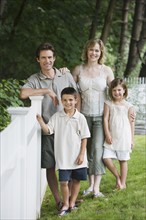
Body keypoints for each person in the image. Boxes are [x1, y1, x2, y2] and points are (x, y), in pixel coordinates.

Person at [20, 43, 78, 210]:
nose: (47, 61)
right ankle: (59, 201)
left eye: (50, 57)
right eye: (43, 58)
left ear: (54, 58)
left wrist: (77, 118)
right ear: (38, 59)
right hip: (48, 129)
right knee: (51, 165)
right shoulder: (35, 79)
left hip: (68, 127)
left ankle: (70, 200)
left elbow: (76, 96)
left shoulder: (65, 75)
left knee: (71, 163)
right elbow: (23, 93)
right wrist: (45, 90)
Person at [36, 87, 90, 216]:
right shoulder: (57, 116)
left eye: (71, 100)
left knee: (76, 180)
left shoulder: (80, 117)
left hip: (78, 156)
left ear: (76, 100)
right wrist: (40, 121)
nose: (68, 103)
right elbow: (48, 130)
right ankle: (65, 203)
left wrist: (82, 154)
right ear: (61, 101)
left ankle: (72, 203)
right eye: (65, 100)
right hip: (63, 157)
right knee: (64, 182)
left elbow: (84, 137)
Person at [72, 38, 114, 198]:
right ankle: (90, 186)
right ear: (86, 51)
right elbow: (68, 88)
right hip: (83, 117)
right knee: (87, 151)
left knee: (97, 149)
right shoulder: (78, 69)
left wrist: (126, 107)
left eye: (97, 50)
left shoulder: (106, 71)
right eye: (91, 50)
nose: (94, 53)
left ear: (100, 52)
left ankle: (97, 188)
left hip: (100, 117)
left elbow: (115, 91)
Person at [103, 78, 135, 190]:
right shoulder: (108, 104)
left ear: (124, 90)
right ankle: (118, 177)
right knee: (106, 157)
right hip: (112, 136)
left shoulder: (129, 106)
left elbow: (132, 123)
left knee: (123, 160)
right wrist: (107, 134)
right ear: (111, 91)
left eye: (119, 90)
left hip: (124, 137)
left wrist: (132, 139)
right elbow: (105, 119)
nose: (117, 92)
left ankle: (123, 183)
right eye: (114, 90)